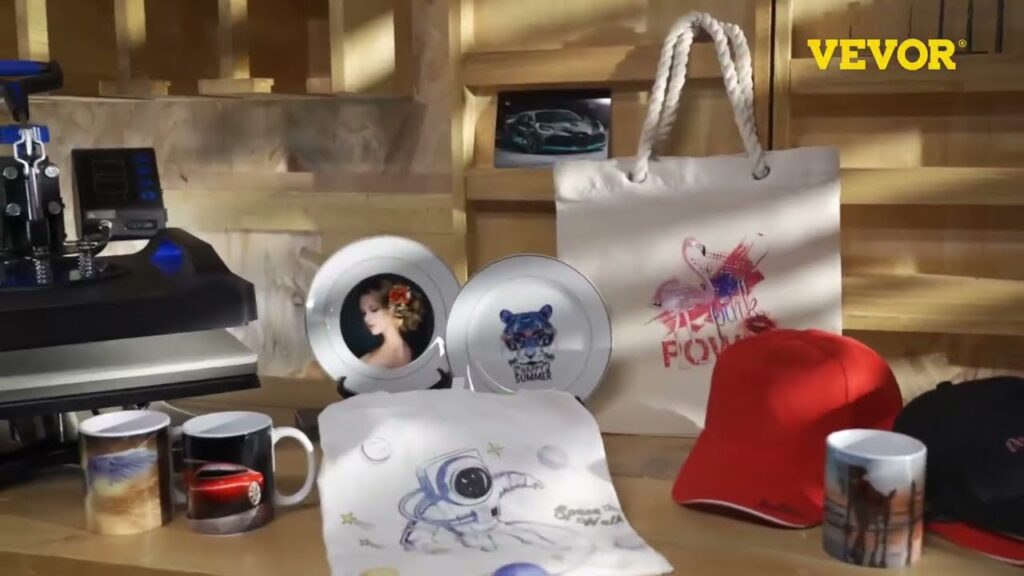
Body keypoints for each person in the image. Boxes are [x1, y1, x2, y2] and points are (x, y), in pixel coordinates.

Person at [357, 279, 425, 369]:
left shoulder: (416, 350)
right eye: (364, 313)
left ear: (392, 309)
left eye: (374, 309)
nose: (366, 318)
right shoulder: (367, 363)